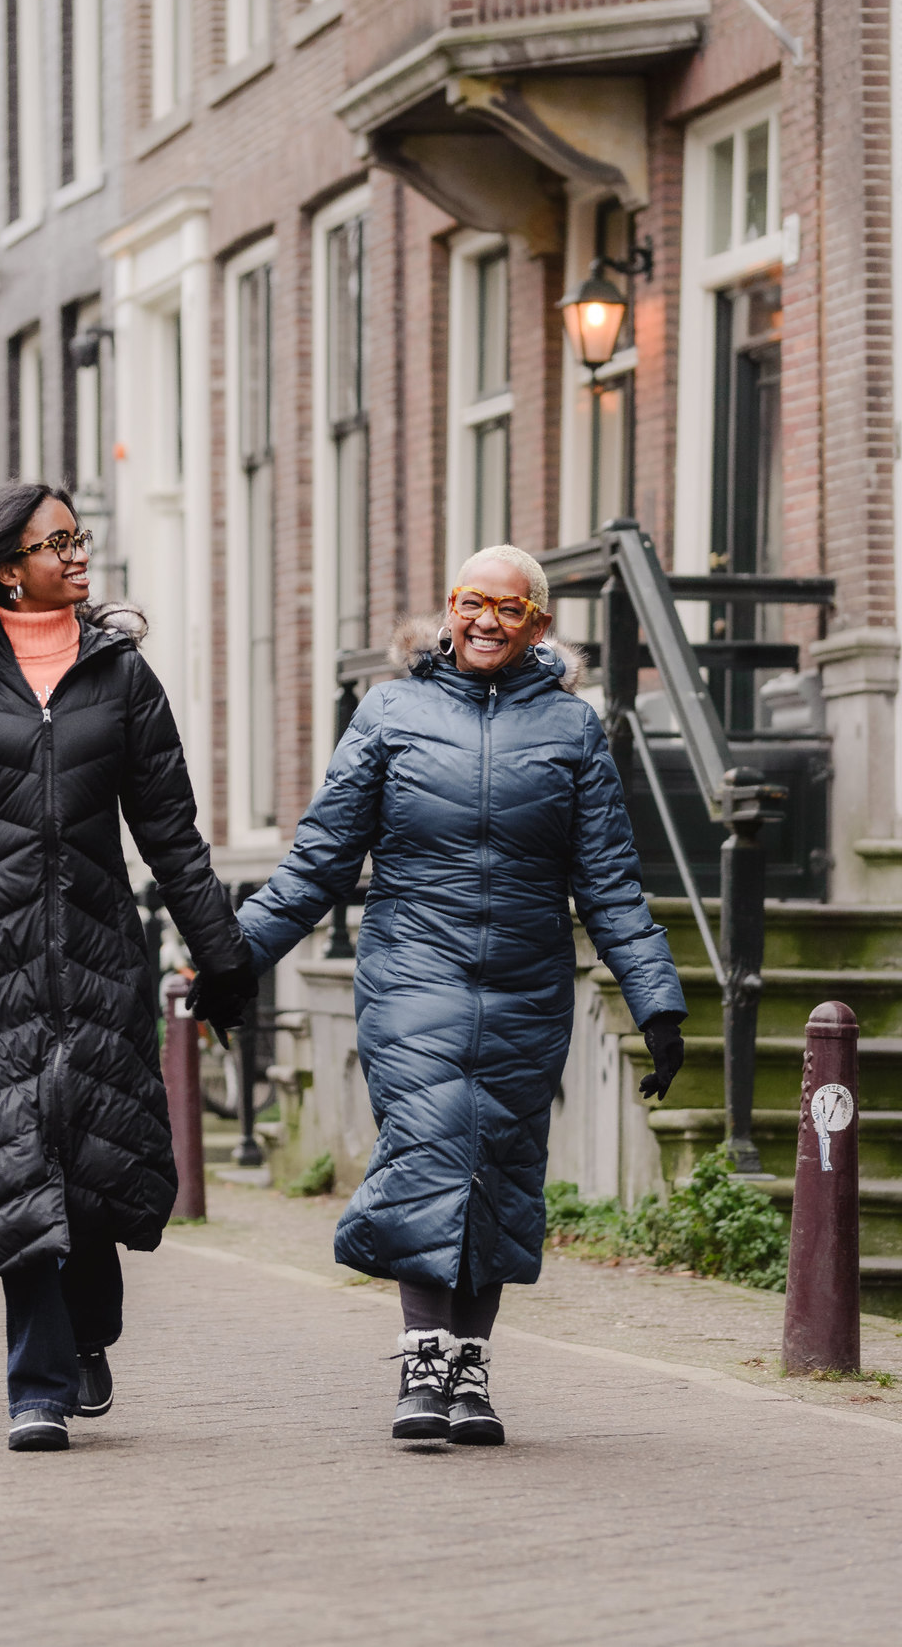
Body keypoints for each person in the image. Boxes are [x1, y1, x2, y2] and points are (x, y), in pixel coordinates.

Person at [236, 544, 686, 1446]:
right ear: (448, 610)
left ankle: (471, 1369)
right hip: (413, 969)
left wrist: (658, 999)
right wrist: (233, 958)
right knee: (430, 1144)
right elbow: (323, 854)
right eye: (471, 602)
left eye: (509, 608)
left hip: (526, 980)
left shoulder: (572, 730)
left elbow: (608, 880)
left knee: (504, 1162)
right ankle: (423, 1358)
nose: (487, 621)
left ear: (540, 625)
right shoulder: (391, 711)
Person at [0, 483, 256, 1452]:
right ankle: (36, 1380)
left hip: (103, 958)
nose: (77, 554)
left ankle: (88, 1326)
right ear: (5, 565)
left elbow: (174, 837)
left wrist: (225, 958)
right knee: (14, 1157)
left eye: (79, 537)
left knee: (93, 1160)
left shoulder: (121, 676)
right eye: (56, 541)